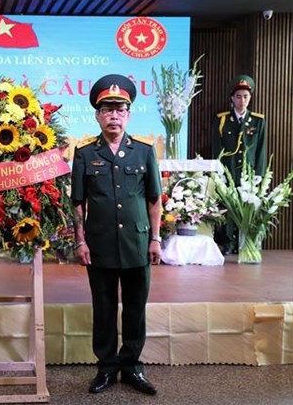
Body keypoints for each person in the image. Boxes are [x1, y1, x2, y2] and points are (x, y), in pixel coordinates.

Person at [71, 74, 162, 396]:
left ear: (128, 114)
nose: (113, 115)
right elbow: (77, 203)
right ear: (97, 115)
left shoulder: (144, 151)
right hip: (100, 244)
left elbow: (154, 199)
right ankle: (107, 368)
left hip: (137, 242)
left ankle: (133, 368)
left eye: (120, 109)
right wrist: (80, 241)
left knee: (136, 308)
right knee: (104, 308)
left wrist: (155, 238)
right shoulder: (84, 154)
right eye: (107, 109)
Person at [211, 74, 266, 254]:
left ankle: (244, 241)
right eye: (238, 96)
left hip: (248, 172)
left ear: (250, 98)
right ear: (232, 99)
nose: (242, 100)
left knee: (246, 206)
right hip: (228, 169)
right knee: (226, 206)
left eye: (245, 96)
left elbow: (261, 149)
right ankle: (227, 242)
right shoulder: (222, 120)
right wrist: (217, 170)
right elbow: (216, 147)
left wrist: (259, 173)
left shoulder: (258, 120)